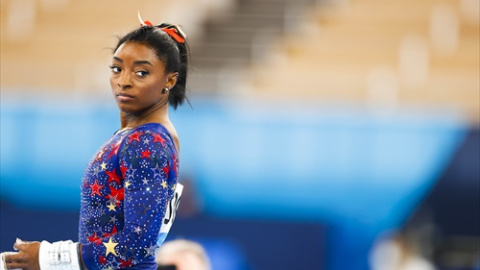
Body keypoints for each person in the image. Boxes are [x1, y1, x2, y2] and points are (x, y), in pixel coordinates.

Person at [0, 15, 190, 270]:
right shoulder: (137, 136)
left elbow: (137, 245)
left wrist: (49, 258)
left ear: (169, 80)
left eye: (141, 72)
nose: (124, 81)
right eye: (117, 68)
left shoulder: (148, 140)